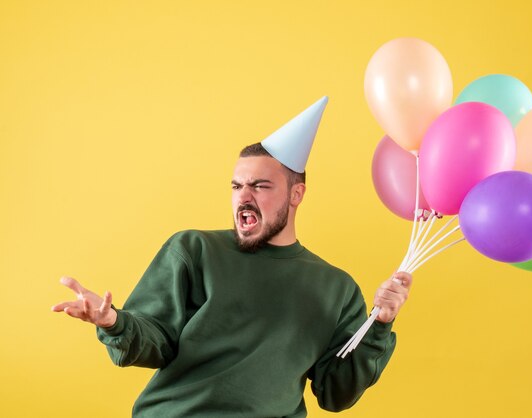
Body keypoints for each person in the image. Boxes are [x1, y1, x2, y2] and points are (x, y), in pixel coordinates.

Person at [52, 97, 412, 417]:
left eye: (260, 186)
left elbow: (336, 394)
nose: (243, 197)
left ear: (296, 194)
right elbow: (155, 342)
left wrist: (379, 326)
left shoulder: (337, 289)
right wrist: (114, 322)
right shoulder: (195, 250)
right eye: (237, 186)